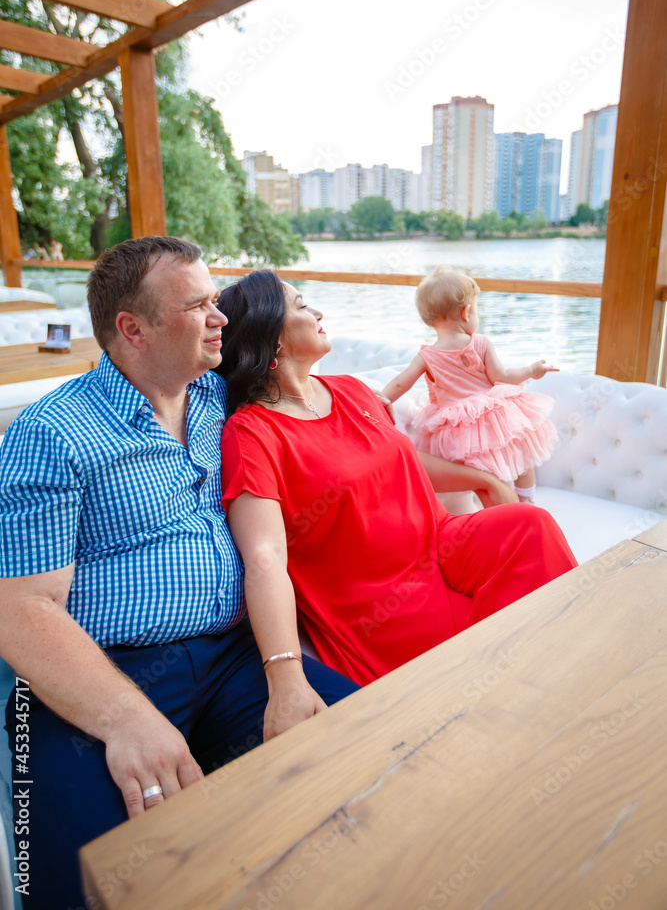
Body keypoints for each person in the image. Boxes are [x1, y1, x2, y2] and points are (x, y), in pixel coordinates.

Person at [0, 237, 358, 910]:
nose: (219, 314)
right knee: (80, 877)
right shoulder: (51, 433)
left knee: (373, 754)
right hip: (95, 674)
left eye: (214, 298)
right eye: (198, 304)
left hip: (236, 658)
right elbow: (18, 608)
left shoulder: (225, 401)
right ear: (132, 329)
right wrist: (125, 718)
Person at [216, 270, 577, 734]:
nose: (319, 312)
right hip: (375, 592)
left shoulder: (350, 390)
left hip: (441, 540)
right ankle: (517, 714)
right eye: (303, 306)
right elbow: (263, 557)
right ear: (274, 336)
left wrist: (486, 480)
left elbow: (396, 460)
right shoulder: (252, 434)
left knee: (530, 525)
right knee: (479, 680)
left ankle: (571, 676)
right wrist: (284, 674)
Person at [381, 267, 558, 504]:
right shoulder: (482, 343)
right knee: (522, 459)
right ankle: (527, 502)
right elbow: (503, 377)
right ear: (466, 312)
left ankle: (487, 517)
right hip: (496, 420)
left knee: (478, 477)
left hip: (455, 431)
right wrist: (533, 371)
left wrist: (379, 399)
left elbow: (401, 383)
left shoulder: (427, 357)